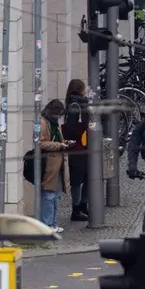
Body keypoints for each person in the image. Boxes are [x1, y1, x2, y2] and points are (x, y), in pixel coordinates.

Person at [37, 98, 72, 231]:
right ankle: (46, 225)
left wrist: (65, 142)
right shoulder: (44, 123)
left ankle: (52, 223)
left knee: (56, 195)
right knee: (48, 195)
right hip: (49, 165)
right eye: (58, 114)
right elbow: (41, 143)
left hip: (58, 164)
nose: (59, 117)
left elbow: (55, 139)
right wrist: (59, 145)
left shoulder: (54, 123)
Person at [61, 79, 91, 222]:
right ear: (80, 89)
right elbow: (73, 128)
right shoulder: (76, 105)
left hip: (82, 146)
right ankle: (77, 208)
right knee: (78, 179)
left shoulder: (76, 103)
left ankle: (83, 205)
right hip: (79, 147)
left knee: (87, 177)